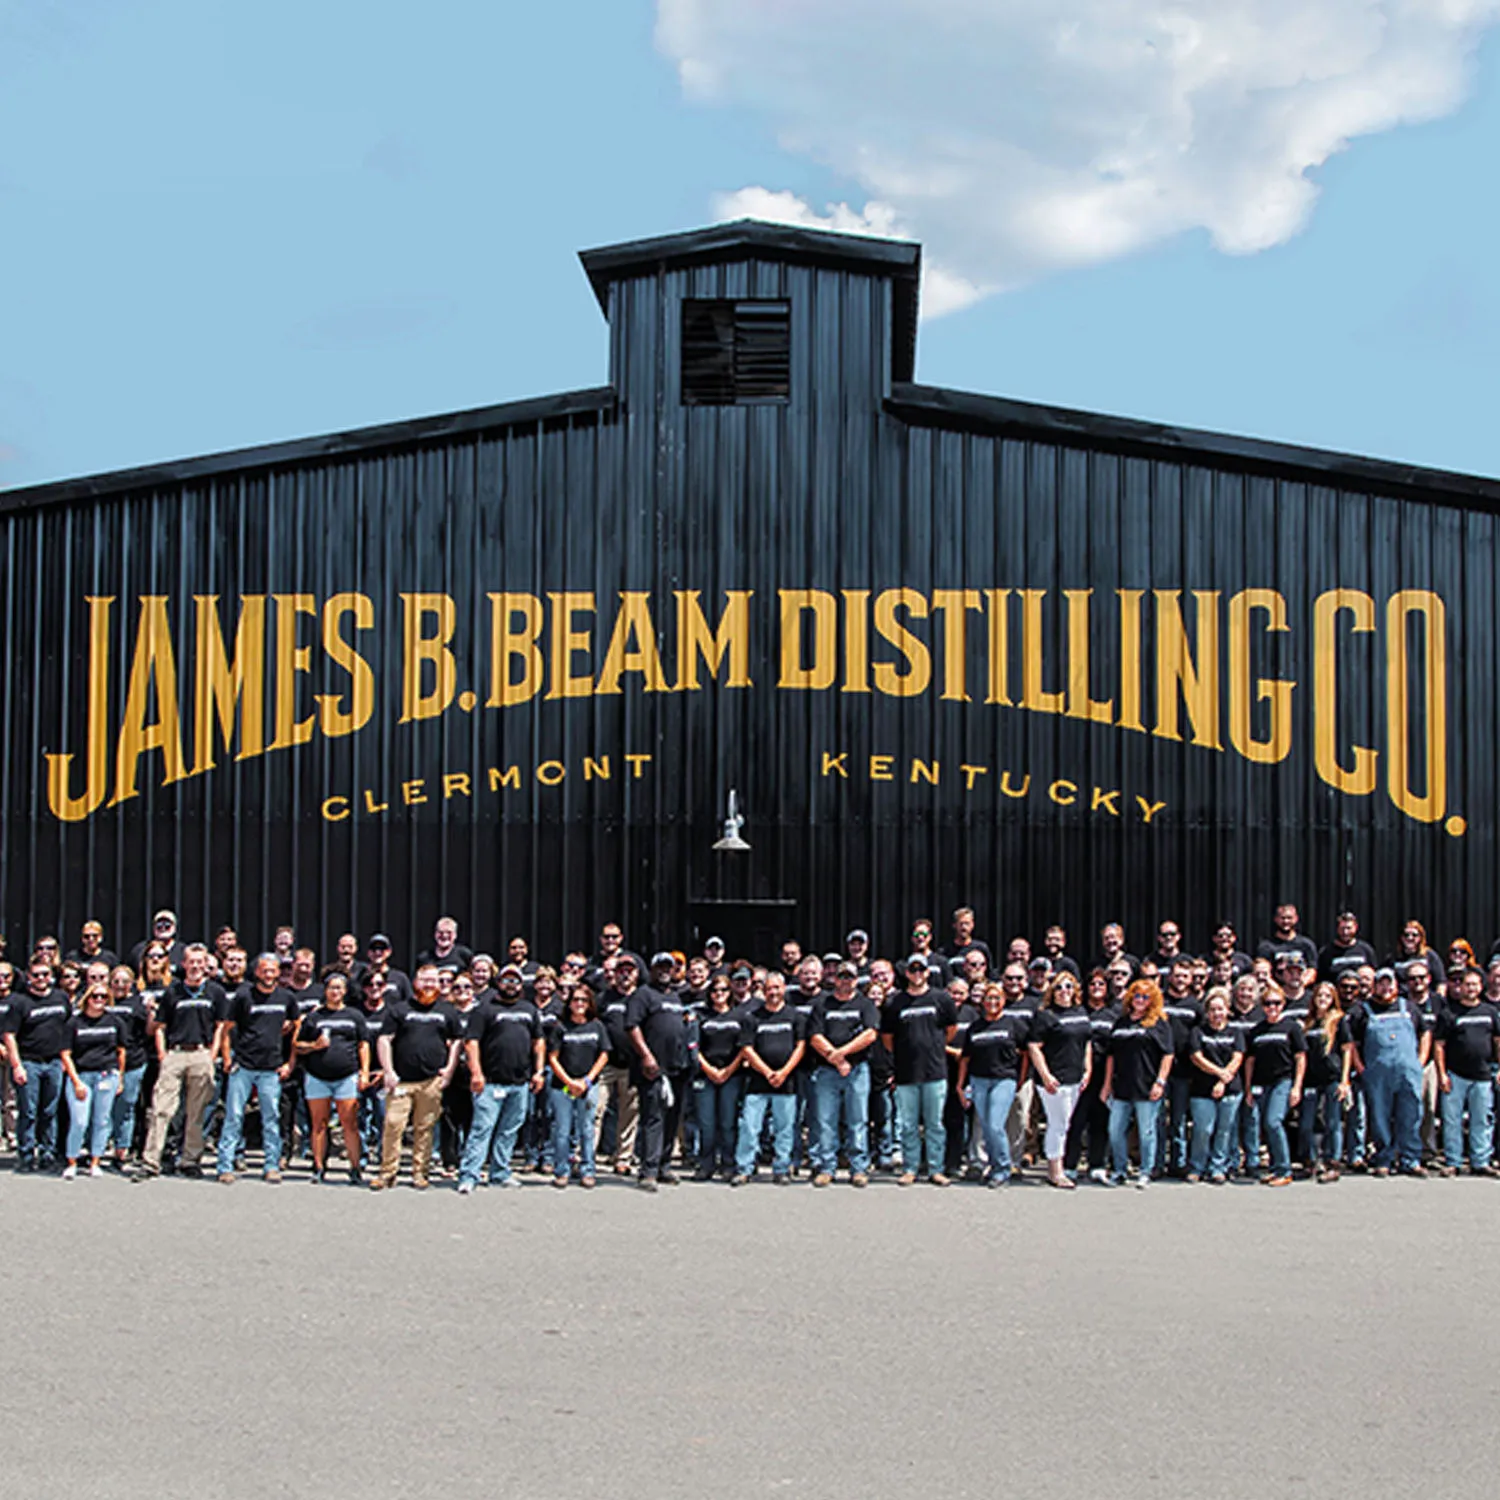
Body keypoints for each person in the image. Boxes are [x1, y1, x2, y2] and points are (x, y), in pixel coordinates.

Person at [135, 945, 225, 1180]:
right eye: (191, 962)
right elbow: (160, 1027)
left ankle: (190, 1160)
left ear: (206, 965)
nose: (195, 966)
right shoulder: (173, 992)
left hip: (201, 1054)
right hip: (175, 1054)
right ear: (183, 965)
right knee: (161, 1109)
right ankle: (151, 1161)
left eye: (200, 962)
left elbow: (221, 1027)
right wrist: (163, 1055)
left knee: (196, 1112)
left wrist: (213, 1055)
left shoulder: (215, 992)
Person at [374, 965, 463, 1191]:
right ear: (416, 982)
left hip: (431, 1081)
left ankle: (420, 1173)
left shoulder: (447, 1011)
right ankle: (387, 1173)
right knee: (393, 1125)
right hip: (401, 1080)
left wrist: (449, 1069)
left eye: (434, 981)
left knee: (424, 1128)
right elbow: (384, 1039)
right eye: (425, 980)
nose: (429, 985)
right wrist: (388, 1071)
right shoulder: (400, 1009)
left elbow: (457, 1042)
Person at [458, 966, 545, 1194]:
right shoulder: (484, 1010)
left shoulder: (529, 1010)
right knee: (482, 1129)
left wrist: (538, 1072)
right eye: (506, 980)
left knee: (509, 1130)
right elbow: (472, 1042)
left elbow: (539, 1042)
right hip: (490, 1082)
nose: (511, 984)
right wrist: (476, 1073)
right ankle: (469, 1175)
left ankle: (500, 1172)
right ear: (498, 982)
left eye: (515, 981)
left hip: (520, 1083)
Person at [215, 953, 297, 1184]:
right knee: (234, 1116)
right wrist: (226, 1058)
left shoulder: (286, 998)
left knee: (271, 1118)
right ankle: (225, 1166)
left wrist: (289, 1063)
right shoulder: (244, 996)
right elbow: (227, 1028)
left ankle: (271, 1165)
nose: (269, 974)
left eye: (273, 970)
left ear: (278, 972)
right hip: (244, 1065)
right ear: (257, 972)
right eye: (264, 970)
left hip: (271, 1068)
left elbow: (297, 1028)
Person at [880, 956, 958, 1185]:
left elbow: (950, 1030)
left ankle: (936, 1169)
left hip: (935, 1071)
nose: (917, 973)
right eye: (912, 969)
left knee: (935, 1124)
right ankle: (910, 1168)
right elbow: (887, 1037)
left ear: (927, 972)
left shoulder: (941, 999)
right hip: (906, 1073)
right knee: (908, 1125)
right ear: (906, 973)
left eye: (921, 969)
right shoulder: (896, 1002)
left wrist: (932, 1047)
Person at [1349, 967, 1429, 1178]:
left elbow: (1426, 1033)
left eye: (1389, 983)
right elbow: (1351, 1044)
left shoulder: (1409, 1008)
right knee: (1379, 1116)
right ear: (1375, 986)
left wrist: (1420, 1061)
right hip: (1377, 1074)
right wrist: (1360, 1068)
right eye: (1381, 983)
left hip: (1408, 1072)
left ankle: (1410, 1160)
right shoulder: (1363, 1011)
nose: (1385, 988)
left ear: (1395, 985)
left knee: (1411, 1115)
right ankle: (1383, 1159)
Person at [807, 960, 879, 1187]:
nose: (845, 981)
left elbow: (870, 1034)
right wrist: (835, 1058)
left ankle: (858, 1168)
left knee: (857, 1120)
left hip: (857, 1070)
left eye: (850, 977)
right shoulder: (822, 1004)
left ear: (856, 980)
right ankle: (827, 1167)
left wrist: (843, 1054)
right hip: (827, 1071)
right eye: (842, 977)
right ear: (834, 979)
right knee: (825, 1121)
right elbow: (815, 1037)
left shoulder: (865, 1004)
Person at [293, 972, 370, 1183]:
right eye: (331, 988)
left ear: (345, 991)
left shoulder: (354, 1016)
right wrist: (313, 1046)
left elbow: (363, 1045)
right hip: (317, 1077)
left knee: (349, 1124)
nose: (335, 992)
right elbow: (298, 1045)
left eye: (339, 988)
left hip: (346, 1076)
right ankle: (318, 1167)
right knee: (319, 1124)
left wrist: (364, 1072)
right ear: (324, 991)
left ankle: (355, 1168)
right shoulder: (314, 1017)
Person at [731, 972, 805, 1186]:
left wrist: (783, 1072)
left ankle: (782, 1168)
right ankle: (744, 1168)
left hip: (786, 1081)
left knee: (785, 1128)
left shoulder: (795, 1016)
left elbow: (801, 1046)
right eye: (769, 988)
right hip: (757, 1082)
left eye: (777, 988)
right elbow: (747, 1048)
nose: (773, 992)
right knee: (749, 1127)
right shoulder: (752, 1017)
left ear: (784, 989)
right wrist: (767, 1072)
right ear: (763, 991)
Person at [1100, 979, 1173, 1188]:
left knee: (1146, 1132)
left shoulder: (1159, 1023)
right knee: (1115, 1130)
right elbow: (1111, 1056)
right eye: (1137, 996)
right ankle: (1120, 1170)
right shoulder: (1120, 1023)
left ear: (1153, 1000)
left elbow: (1168, 1054)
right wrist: (1106, 1085)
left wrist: (1160, 1082)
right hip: (1121, 1086)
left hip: (1147, 1086)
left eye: (1145, 997)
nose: (1140, 1000)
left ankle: (1145, 1172)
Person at [628, 952, 692, 1191]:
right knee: (652, 1118)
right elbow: (632, 1027)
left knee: (672, 1118)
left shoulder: (674, 996)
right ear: (652, 969)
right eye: (660, 967)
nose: (665, 971)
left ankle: (664, 1166)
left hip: (676, 1068)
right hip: (653, 1069)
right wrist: (646, 1056)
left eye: (669, 967)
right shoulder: (642, 995)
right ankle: (648, 1171)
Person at [3, 956, 72, 1171]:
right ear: (29, 977)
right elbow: (9, 1036)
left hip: (54, 1062)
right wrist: (17, 1066)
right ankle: (26, 1154)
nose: (41, 978)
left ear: (51, 976)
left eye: (45, 974)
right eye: (36, 975)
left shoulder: (61, 998)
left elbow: (68, 1029)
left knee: (50, 1111)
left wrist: (64, 1059)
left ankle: (48, 1153)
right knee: (29, 1111)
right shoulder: (19, 1002)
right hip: (30, 1062)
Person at [958, 979, 1030, 1185]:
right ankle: (992, 1165)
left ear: (1004, 1000)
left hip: (1004, 1079)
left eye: (997, 998)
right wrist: (960, 1085)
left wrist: (1021, 1078)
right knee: (986, 1125)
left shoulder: (1012, 1024)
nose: (992, 1002)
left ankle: (1002, 1168)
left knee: (995, 1124)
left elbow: (1025, 1052)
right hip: (979, 1080)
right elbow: (965, 1058)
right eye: (989, 998)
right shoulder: (975, 1027)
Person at [1027, 969, 1092, 1188]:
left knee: (1065, 1123)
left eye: (1068, 987)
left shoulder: (1080, 1011)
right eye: (1059, 987)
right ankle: (1055, 1171)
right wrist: (1045, 1075)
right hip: (1054, 1080)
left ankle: (1058, 1166)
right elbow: (1034, 1047)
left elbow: (1087, 1042)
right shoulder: (1046, 1015)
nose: (1064, 991)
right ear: (1051, 991)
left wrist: (1088, 1069)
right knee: (1059, 1124)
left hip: (1076, 1078)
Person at [1434, 966, 1500, 1176]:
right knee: (1451, 1120)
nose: (1470, 988)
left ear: (1481, 987)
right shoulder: (1449, 1013)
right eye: (1467, 984)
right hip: (1455, 1075)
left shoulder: (1490, 1012)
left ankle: (1480, 1161)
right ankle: (1453, 1161)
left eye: (1474, 985)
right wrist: (1442, 1074)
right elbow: (1439, 1045)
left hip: (1483, 1074)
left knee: (1481, 1119)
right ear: (1460, 987)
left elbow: (1498, 1041)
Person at [59, 982, 126, 1179]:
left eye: (103, 997)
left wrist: (119, 1077)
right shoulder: (74, 1022)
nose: (99, 1000)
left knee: (102, 1120)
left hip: (107, 1075)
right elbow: (65, 1054)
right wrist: (76, 1081)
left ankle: (95, 1160)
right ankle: (72, 1160)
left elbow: (121, 1051)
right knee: (79, 1121)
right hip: (81, 1076)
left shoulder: (115, 1022)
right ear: (87, 998)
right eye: (95, 996)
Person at [547, 986, 609, 1187]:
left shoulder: (597, 1026)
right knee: (563, 1130)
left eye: (584, 1000)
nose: (579, 1004)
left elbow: (604, 1054)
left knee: (587, 1129)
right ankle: (562, 1171)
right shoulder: (560, 1027)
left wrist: (587, 1080)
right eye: (575, 1000)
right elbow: (553, 1058)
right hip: (563, 1086)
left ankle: (587, 1170)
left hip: (588, 1086)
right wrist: (570, 1082)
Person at [1244, 987, 1306, 1186]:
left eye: (1276, 1003)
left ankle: (1284, 1169)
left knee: (1274, 1121)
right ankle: (1274, 1167)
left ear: (1283, 1005)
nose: (1272, 1007)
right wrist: (1248, 1088)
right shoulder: (1257, 1030)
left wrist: (1296, 1087)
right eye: (1268, 1003)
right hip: (1261, 1083)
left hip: (1283, 1081)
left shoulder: (1291, 1027)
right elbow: (1250, 1061)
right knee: (1266, 1125)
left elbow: (1300, 1058)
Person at [1186, 989, 1244, 1184]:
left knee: (1224, 1130)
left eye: (1220, 1009)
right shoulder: (1198, 1031)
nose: (1216, 1013)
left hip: (1230, 1089)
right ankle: (1197, 1167)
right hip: (1202, 1090)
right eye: (1212, 1009)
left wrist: (1222, 1080)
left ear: (1227, 1010)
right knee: (1203, 1130)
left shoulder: (1235, 1031)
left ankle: (1218, 1167)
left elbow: (1238, 1057)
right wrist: (1219, 1073)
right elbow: (1196, 1057)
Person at [693, 974, 744, 1180]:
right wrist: (709, 1069)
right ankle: (706, 1164)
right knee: (706, 1123)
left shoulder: (739, 1016)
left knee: (728, 1122)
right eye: (715, 991)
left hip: (731, 1075)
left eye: (723, 990)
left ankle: (728, 1163)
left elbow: (744, 1048)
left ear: (730, 992)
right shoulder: (701, 1016)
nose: (719, 994)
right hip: (705, 1075)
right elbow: (694, 1046)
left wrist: (728, 1071)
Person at [1300, 981, 1352, 1181]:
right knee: (1308, 1122)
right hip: (1311, 1079)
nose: (1323, 999)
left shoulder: (1339, 1020)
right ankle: (1313, 1161)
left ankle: (1333, 1162)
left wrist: (1344, 1080)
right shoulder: (1308, 1022)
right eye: (1319, 996)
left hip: (1333, 1077)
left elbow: (1347, 1050)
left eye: (1327, 996)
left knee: (1333, 1121)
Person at [104, 964, 152, 1170]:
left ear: (132, 984)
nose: (120, 985)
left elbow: (149, 1031)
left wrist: (151, 1012)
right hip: (105, 1061)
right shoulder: (102, 1001)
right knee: (105, 1108)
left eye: (125, 981)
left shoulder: (137, 1003)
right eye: (116, 981)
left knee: (126, 1106)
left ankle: (122, 1150)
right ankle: (99, 1147)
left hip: (133, 1061)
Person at [1257, 904, 1319, 973]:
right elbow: (1263, 972)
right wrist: (1276, 984)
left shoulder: (1306, 944)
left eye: (1289, 918)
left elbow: (1312, 970)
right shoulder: (1266, 946)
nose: (1286, 921)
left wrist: (1300, 983)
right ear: (1276, 919)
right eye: (1282, 918)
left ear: (1296, 919)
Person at [1321, 911, 1377, 983]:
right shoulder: (1326, 952)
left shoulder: (1366, 950)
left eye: (1349, 928)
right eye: (1342, 928)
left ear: (1356, 927)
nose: (1345, 932)